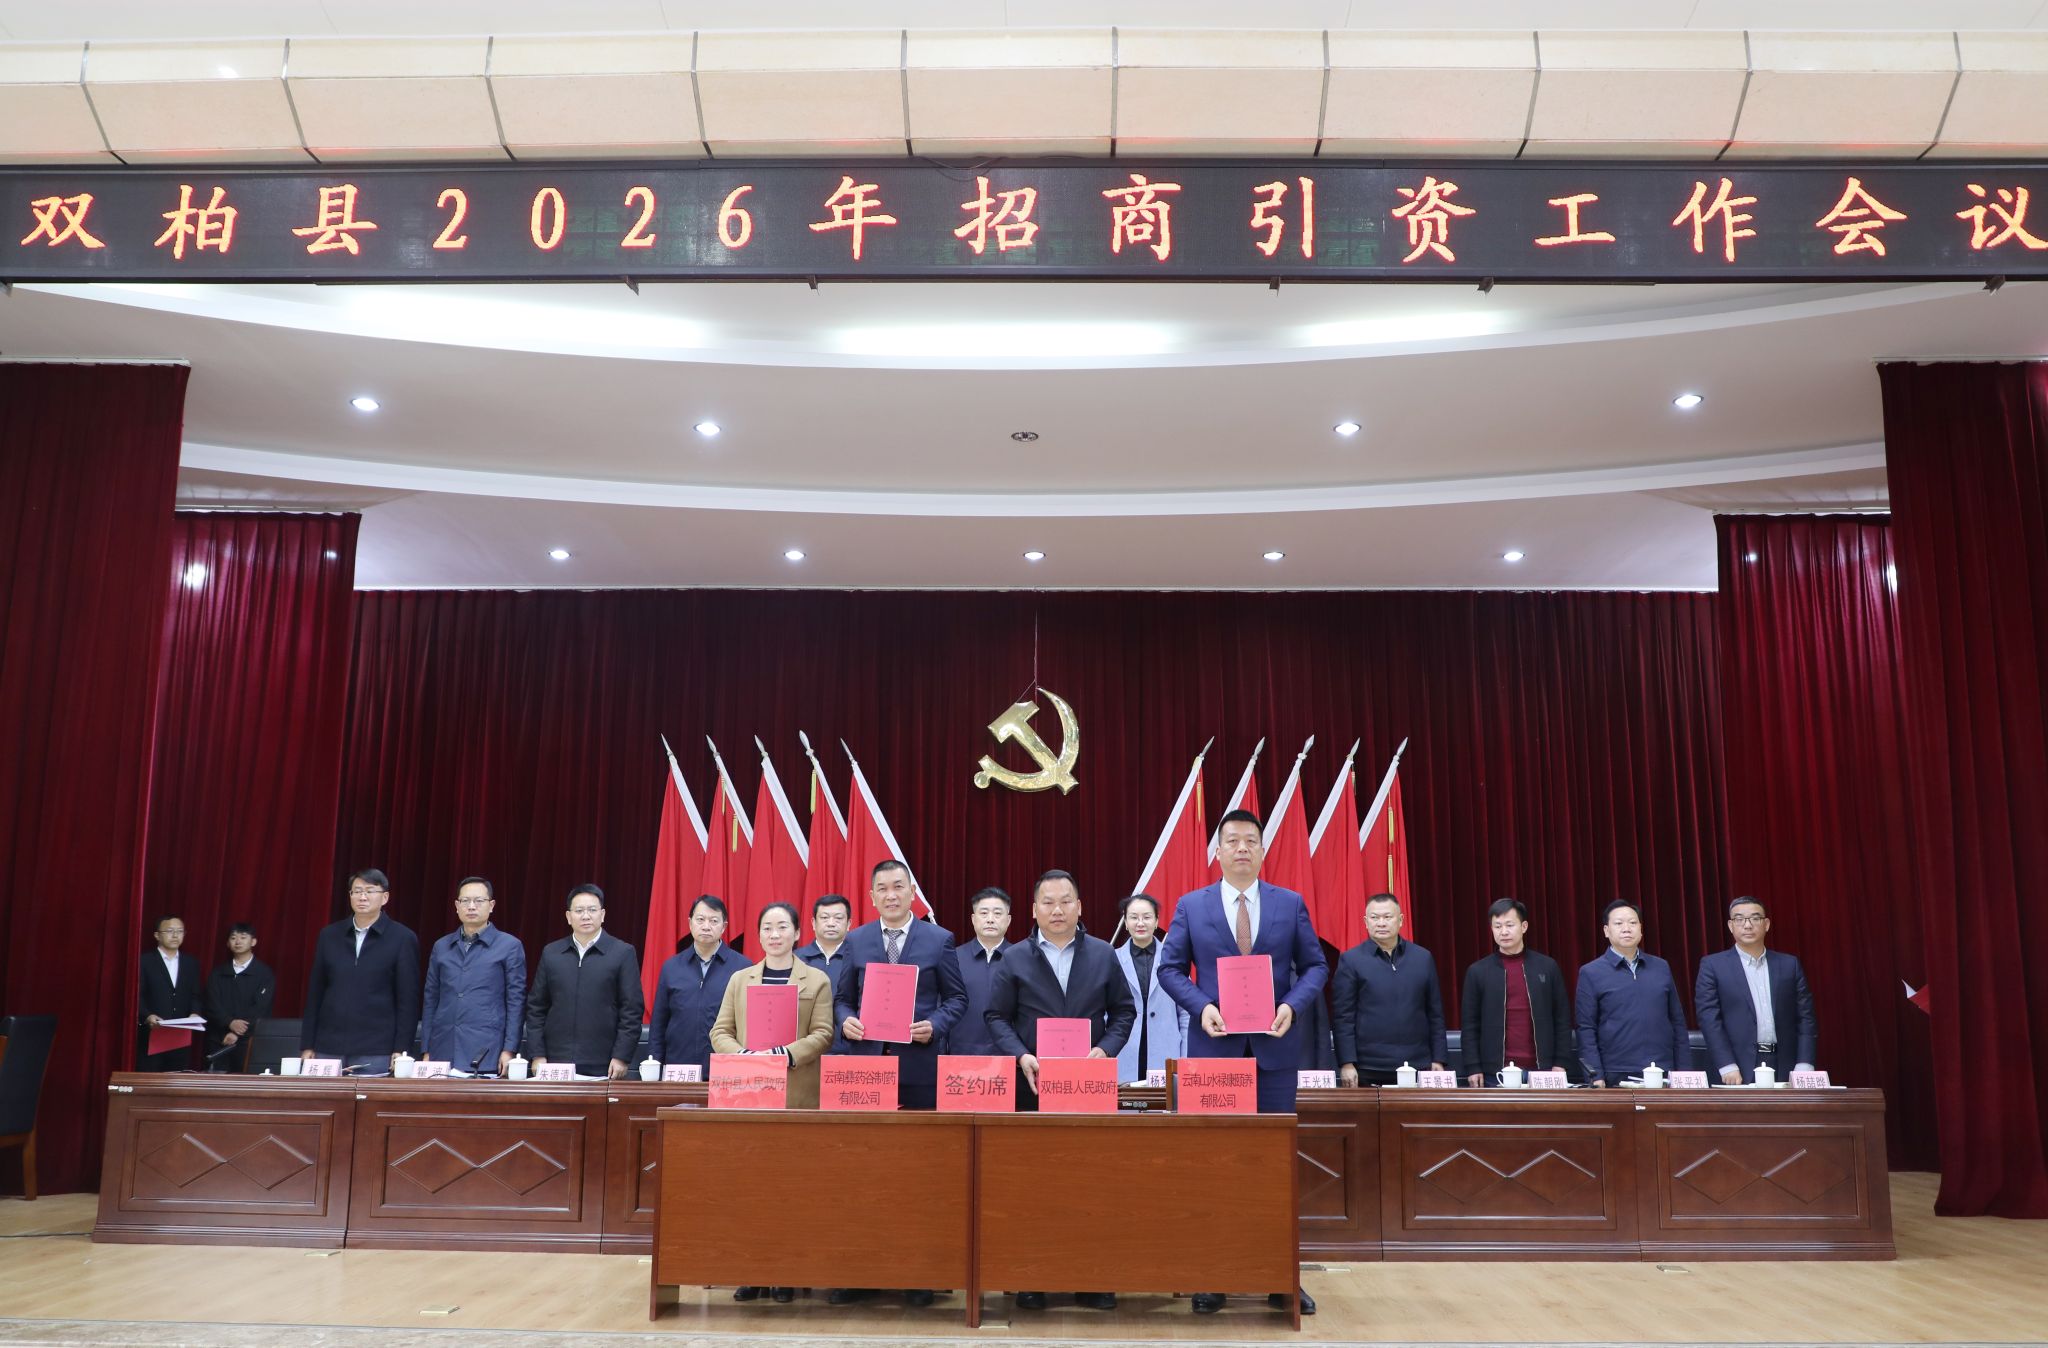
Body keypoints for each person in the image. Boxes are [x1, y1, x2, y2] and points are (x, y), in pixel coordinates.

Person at [1158, 808, 1325, 1317]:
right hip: (1216, 1054)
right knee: (1216, 1165)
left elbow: (1315, 966)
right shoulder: (1192, 905)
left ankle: (1281, 1277)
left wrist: (1291, 1005)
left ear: (1262, 849)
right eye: (1232, 840)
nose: (1242, 849)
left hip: (1275, 1053)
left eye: (1251, 840)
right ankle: (1215, 1274)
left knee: (1274, 1166)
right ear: (1218, 851)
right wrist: (1201, 1007)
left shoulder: (1289, 903)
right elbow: (1170, 969)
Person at [986, 869, 1135, 1312]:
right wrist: (1020, 1055)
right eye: (1048, 902)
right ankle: (1033, 1278)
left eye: (1066, 901)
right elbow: (995, 1016)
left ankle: (1093, 1279)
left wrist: (1105, 1050)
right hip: (1033, 1088)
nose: (1057, 909)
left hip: (1090, 1087)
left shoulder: (1103, 954)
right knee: (1035, 1187)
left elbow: (1123, 1012)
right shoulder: (1015, 957)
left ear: (1079, 907)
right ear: (1033, 910)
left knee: (1092, 1185)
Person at [832, 858, 968, 1308]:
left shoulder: (939, 939)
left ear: (912, 892)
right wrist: (846, 1021)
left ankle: (918, 1273)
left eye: (898, 887)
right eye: (882, 889)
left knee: (918, 1174)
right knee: (862, 1174)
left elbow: (957, 999)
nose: (890, 895)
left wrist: (935, 1026)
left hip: (919, 1072)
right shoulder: (856, 940)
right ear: (871, 897)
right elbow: (842, 999)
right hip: (867, 1072)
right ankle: (860, 1272)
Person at [710, 900, 838, 1304]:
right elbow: (720, 1031)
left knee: (792, 1189)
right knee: (750, 1188)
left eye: (782, 927)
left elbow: (824, 1033)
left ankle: (785, 1273)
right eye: (767, 927)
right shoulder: (740, 979)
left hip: (798, 1098)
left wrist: (785, 1054)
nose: (774, 934)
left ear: (798, 933)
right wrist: (745, 1056)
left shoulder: (816, 979)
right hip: (749, 1097)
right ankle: (752, 1272)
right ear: (759, 934)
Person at [300, 870, 422, 1074]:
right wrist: (308, 1044)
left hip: (377, 1048)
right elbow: (315, 993)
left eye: (369, 891)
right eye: (357, 891)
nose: (362, 897)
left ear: (385, 897)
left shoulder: (402, 938)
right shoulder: (329, 936)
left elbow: (407, 1000)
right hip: (328, 1045)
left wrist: (401, 1049)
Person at [1695, 896, 1818, 1084]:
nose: (1747, 925)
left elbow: (1806, 1017)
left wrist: (1804, 1064)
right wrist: (1727, 1065)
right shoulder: (1713, 966)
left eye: (1755, 918)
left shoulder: (1789, 965)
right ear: (1730, 926)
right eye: (1739, 919)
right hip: (1737, 1066)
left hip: (1786, 1062)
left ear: (1766, 924)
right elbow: (1709, 1018)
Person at [525, 884, 643, 1079]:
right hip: (555, 1061)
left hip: (603, 1064)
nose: (586, 916)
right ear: (568, 917)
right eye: (579, 911)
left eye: (592, 910)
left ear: (602, 915)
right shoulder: (552, 953)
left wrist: (621, 1056)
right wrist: (537, 1054)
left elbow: (631, 1010)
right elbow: (536, 1008)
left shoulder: (622, 953)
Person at [1330, 893, 1447, 1085]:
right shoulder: (1351, 961)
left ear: (1400, 920)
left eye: (1387, 917)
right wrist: (1347, 1063)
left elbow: (1435, 1013)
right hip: (1368, 1066)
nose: (1381, 923)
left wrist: (1439, 1059)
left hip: (1418, 1063)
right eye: (1375, 918)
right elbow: (1343, 1017)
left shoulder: (1423, 958)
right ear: (1366, 922)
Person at [1461, 899, 1577, 1086]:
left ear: (1524, 926)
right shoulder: (1478, 971)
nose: (1503, 932)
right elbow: (1470, 1025)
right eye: (1497, 926)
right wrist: (1473, 1066)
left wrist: (1560, 1062)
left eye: (1509, 925)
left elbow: (1562, 1018)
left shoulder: (1547, 967)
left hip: (1543, 1070)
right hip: (1495, 1072)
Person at [1575, 899, 1689, 1087]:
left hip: (1662, 1070)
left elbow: (1677, 1022)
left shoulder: (1661, 967)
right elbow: (1586, 1028)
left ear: (1641, 929)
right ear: (1606, 931)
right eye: (1619, 923)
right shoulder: (1591, 972)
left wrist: (1684, 1072)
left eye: (1633, 923)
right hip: (1616, 1072)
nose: (1626, 928)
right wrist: (1595, 1075)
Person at [420, 877, 527, 1075]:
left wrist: (509, 1049)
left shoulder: (509, 946)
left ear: (491, 905)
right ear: (456, 906)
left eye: (478, 901)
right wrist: (426, 1048)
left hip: (487, 1048)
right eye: (465, 901)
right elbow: (431, 999)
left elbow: (516, 1002)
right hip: (443, 1047)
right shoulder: (441, 946)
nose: (471, 906)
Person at [649, 895, 751, 1075]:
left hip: (725, 1069)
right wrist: (655, 1064)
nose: (706, 926)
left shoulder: (743, 967)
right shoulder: (672, 967)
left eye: (714, 921)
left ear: (724, 926)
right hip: (678, 1069)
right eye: (700, 919)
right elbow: (659, 1023)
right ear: (690, 923)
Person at [1113, 893, 1187, 1084]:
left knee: (1162, 1101)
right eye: (1134, 917)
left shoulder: (1174, 959)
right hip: (1124, 1048)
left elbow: (1185, 1013)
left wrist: (1185, 1056)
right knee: (1127, 1100)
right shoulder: (1112, 959)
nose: (1140, 923)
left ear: (1156, 921)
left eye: (1146, 917)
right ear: (1125, 922)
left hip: (1165, 1048)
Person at [949, 886, 1013, 1057]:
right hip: (959, 1055)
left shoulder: (1020, 958)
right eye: (984, 913)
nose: (990, 919)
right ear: (973, 919)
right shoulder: (953, 958)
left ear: (1008, 920)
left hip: (1009, 1057)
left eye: (997, 914)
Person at [202, 922, 275, 1072]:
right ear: (228, 943)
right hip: (219, 1039)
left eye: (243, 937)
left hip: (248, 1041)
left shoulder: (264, 973)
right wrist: (229, 1022)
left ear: (253, 941)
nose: (238, 941)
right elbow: (211, 1004)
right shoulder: (218, 973)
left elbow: (261, 1008)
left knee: (246, 1080)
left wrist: (236, 1032)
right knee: (216, 1081)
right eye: (233, 938)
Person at [138, 914, 201, 1071]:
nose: (175, 935)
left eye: (180, 931)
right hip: (152, 1033)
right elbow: (137, 995)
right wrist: (147, 1015)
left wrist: (195, 1012)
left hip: (181, 1035)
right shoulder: (144, 961)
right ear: (157, 935)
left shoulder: (191, 963)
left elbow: (196, 994)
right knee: (151, 1079)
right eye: (170, 931)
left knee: (177, 1078)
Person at [796, 893, 854, 1051]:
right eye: (824, 918)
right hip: (804, 1052)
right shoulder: (795, 960)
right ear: (813, 923)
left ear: (849, 923)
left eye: (838, 918)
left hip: (848, 1051)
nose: (831, 923)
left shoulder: (859, 960)